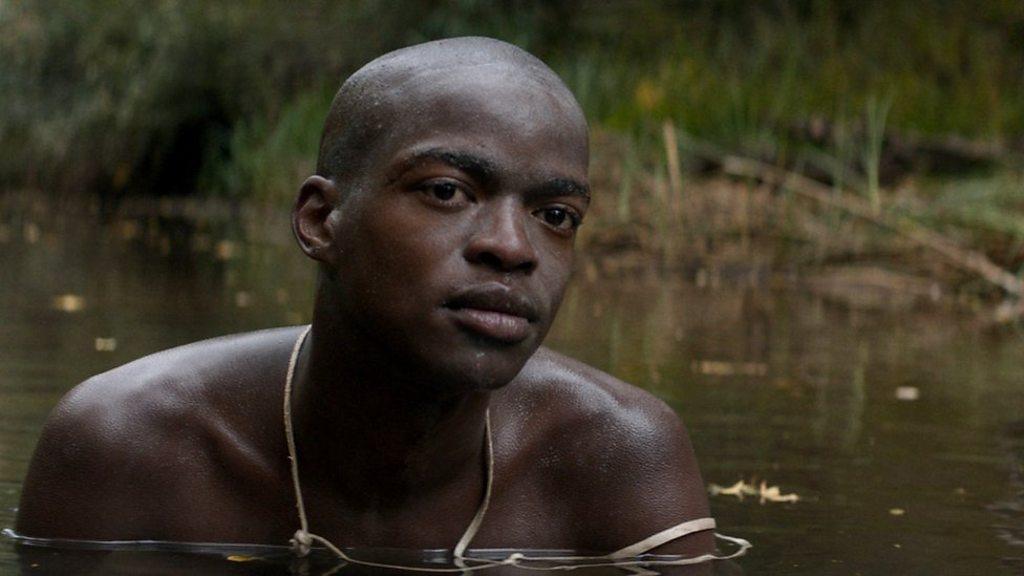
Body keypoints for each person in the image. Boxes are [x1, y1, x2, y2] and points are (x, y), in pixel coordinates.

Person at [14, 37, 720, 568]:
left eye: (556, 215)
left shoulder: (621, 459)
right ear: (322, 220)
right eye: (447, 192)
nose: (513, 247)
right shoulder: (124, 447)